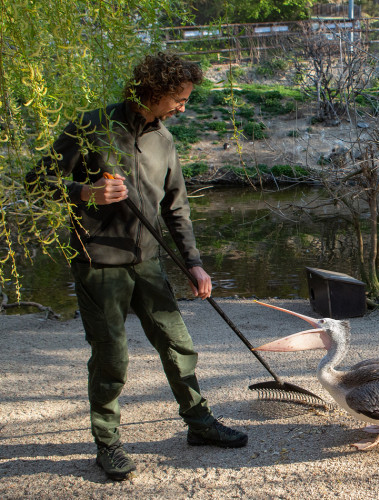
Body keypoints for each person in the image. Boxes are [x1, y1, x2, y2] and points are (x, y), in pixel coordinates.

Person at [26, 52, 248, 481]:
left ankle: (199, 424)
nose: (183, 106)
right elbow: (37, 183)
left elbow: (177, 209)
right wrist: (85, 193)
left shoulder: (163, 141)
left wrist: (195, 265)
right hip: (99, 263)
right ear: (155, 89)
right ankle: (107, 444)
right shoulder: (91, 127)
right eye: (179, 98)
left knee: (178, 345)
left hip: (148, 262)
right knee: (112, 358)